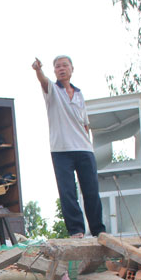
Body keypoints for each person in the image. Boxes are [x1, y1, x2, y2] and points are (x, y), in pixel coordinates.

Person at [32, 55, 105, 238]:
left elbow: (85, 124)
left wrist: (88, 142)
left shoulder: (79, 94)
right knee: (67, 192)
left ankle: (98, 230)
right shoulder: (52, 91)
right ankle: (76, 230)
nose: (61, 69)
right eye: (57, 66)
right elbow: (43, 80)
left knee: (91, 191)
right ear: (54, 71)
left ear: (72, 69)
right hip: (61, 149)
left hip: (84, 148)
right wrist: (38, 70)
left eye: (65, 65)